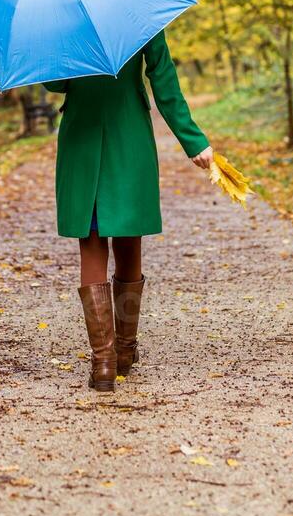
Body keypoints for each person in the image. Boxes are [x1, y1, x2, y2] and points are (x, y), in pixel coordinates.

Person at [44, 28, 213, 392]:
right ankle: (122, 351)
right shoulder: (141, 12)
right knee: (127, 238)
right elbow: (163, 79)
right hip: (128, 134)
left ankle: (103, 363)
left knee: (90, 243)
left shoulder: (63, 19)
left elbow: (55, 85)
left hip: (81, 137)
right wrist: (193, 140)